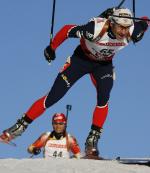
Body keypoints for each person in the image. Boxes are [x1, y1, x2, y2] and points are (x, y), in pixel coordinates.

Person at [0, 7, 149, 158]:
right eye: (120, 27)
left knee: (104, 96)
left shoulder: (133, 30)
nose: (124, 32)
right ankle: (19, 127)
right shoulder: (95, 29)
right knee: (54, 96)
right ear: (111, 23)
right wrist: (52, 48)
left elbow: (145, 21)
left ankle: (92, 140)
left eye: (127, 28)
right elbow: (67, 30)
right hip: (81, 61)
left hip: (103, 66)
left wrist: (139, 25)